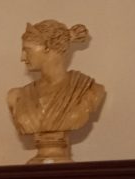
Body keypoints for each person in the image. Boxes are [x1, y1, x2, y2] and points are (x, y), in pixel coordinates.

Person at [6, 20, 105, 163]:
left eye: (27, 50)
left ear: (47, 47)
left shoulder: (89, 90)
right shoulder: (16, 96)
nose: (22, 58)